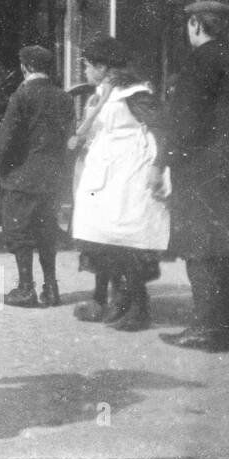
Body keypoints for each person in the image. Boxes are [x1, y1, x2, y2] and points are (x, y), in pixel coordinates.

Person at [154, 1, 229, 353]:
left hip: (201, 172)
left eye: (189, 24)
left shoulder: (200, 62)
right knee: (227, 250)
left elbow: (184, 121)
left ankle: (208, 329)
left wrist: (161, 163)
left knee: (199, 250)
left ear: (197, 25)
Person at [68, 35, 169, 332]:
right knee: (102, 239)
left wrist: (158, 166)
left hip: (128, 173)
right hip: (104, 173)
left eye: (88, 66)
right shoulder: (102, 93)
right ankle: (114, 300)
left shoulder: (134, 93)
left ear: (102, 66)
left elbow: (163, 127)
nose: (85, 72)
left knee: (128, 241)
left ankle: (138, 307)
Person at [0, 45, 75, 308]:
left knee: (19, 231)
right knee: (47, 231)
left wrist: (2, 170)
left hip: (24, 176)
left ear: (25, 67)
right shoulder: (64, 98)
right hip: (52, 177)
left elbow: (7, 139)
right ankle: (51, 289)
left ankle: (26, 288)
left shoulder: (22, 96)